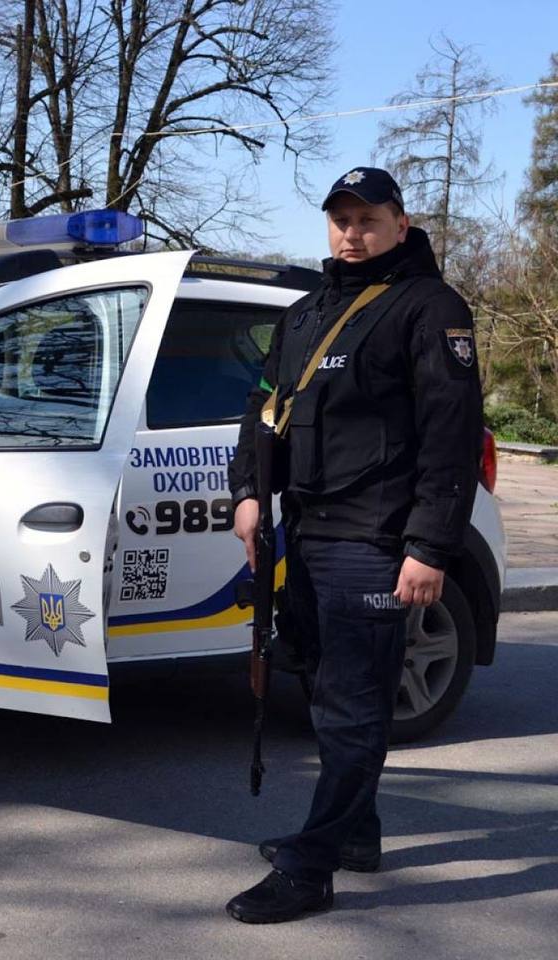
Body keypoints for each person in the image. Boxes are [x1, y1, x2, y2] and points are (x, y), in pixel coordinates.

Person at [224, 167, 484, 923]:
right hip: (306, 531)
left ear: (401, 225)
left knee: (353, 709)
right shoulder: (307, 312)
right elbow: (261, 409)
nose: (351, 231)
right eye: (340, 218)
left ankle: (312, 866)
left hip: (376, 539)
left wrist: (431, 547)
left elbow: (451, 437)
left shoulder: (431, 309)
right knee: (325, 688)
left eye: (367, 218)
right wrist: (248, 493)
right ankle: (357, 835)